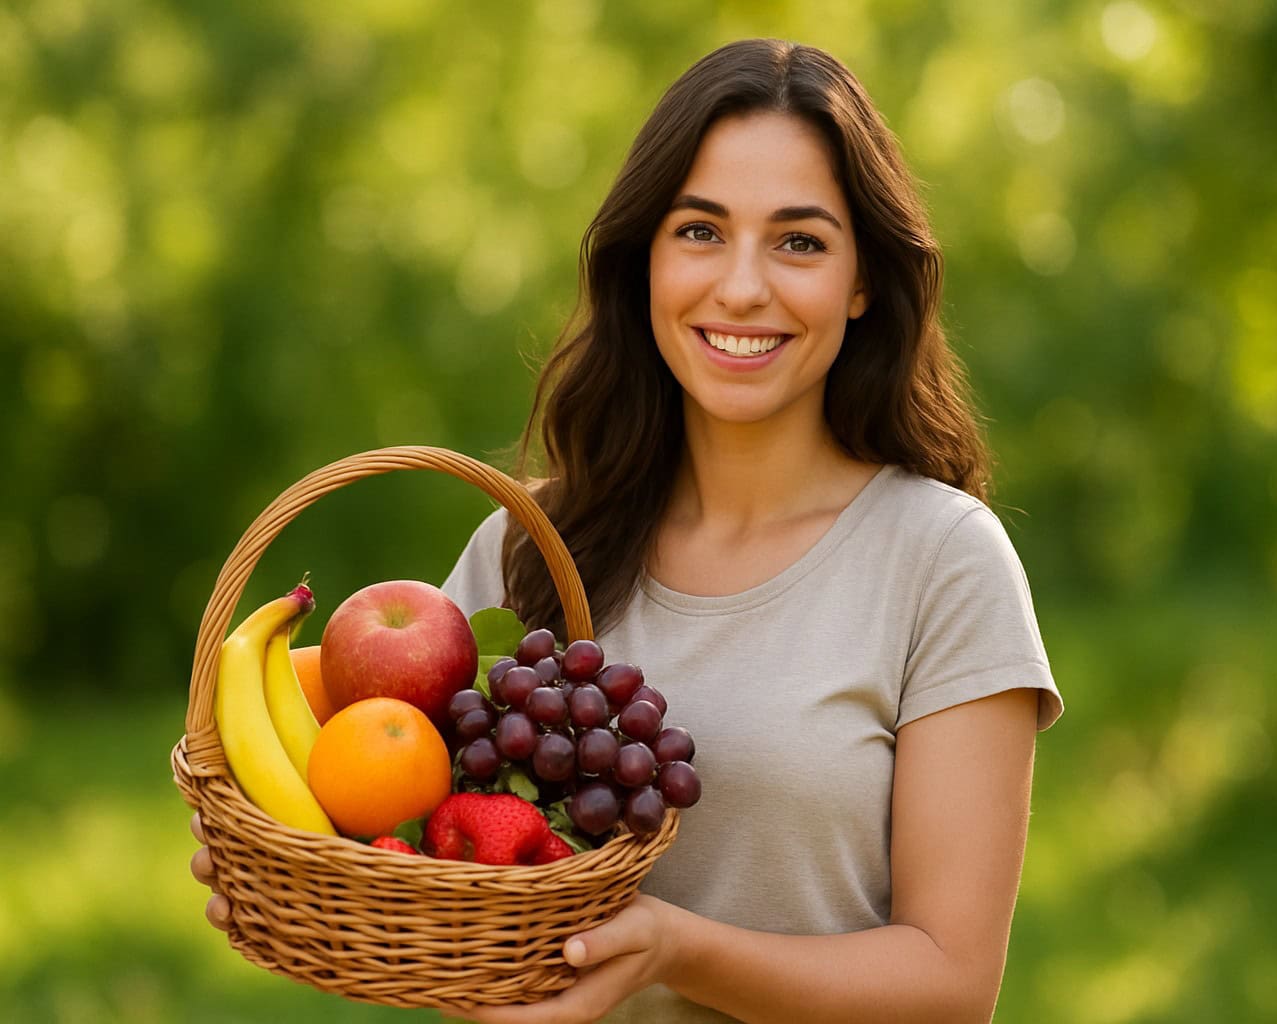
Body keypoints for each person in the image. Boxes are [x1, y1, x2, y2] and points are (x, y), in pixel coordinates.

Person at [191, 38, 1062, 1023]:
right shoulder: (529, 545)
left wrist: (676, 950)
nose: (741, 287)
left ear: (865, 282)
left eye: (800, 241)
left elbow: (950, 987)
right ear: (643, 257)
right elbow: (428, 861)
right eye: (700, 231)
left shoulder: (942, 561)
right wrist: (299, 872)